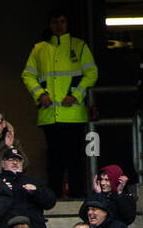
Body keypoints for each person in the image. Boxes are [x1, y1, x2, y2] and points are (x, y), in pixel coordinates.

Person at [22, 10, 97, 197]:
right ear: (50, 24)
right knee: (54, 160)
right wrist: (40, 94)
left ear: (67, 23)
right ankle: (53, 197)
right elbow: (27, 75)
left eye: (62, 21)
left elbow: (91, 73)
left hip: (73, 115)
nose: (59, 26)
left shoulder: (79, 46)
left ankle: (78, 196)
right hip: (49, 116)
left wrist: (76, 95)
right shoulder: (39, 48)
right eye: (55, 22)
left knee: (75, 159)